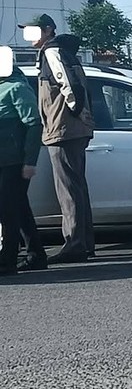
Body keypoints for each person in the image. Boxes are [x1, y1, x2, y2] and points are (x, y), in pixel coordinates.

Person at [20, 14, 96, 264]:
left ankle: (75, 244)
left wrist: (68, 115)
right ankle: (84, 242)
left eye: (33, 31)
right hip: (70, 129)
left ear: (48, 30)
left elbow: (70, 87)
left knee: (68, 189)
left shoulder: (52, 53)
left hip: (63, 130)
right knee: (76, 187)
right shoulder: (59, 51)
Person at [0, 48, 42, 276]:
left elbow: (34, 125)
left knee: (7, 211)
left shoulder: (17, 88)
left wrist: (30, 161)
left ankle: (7, 261)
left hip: (13, 162)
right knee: (19, 209)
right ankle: (36, 253)